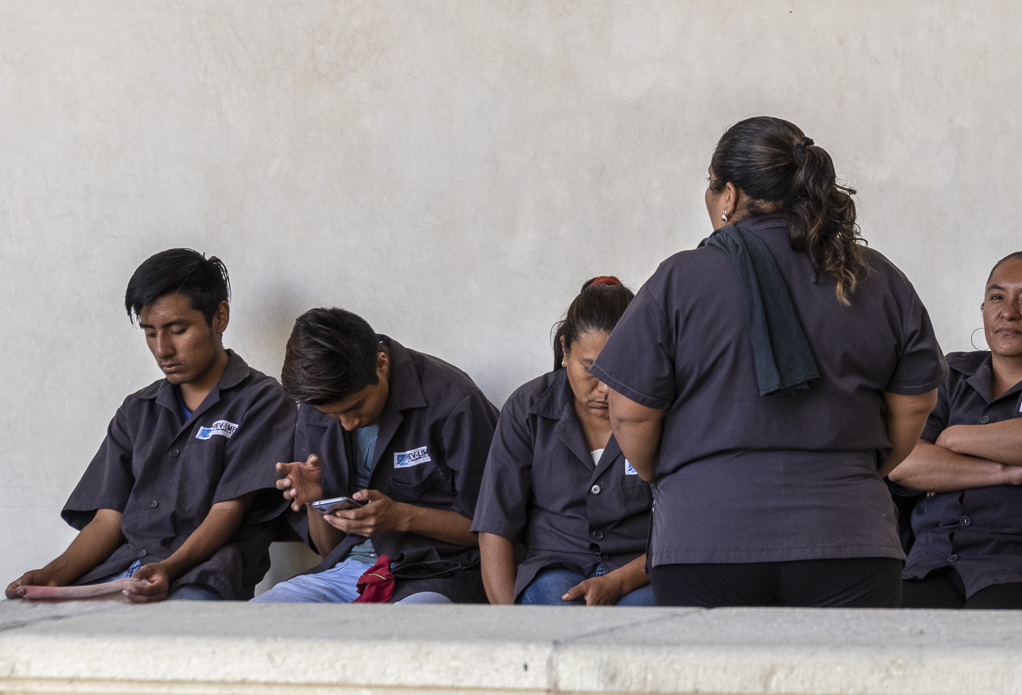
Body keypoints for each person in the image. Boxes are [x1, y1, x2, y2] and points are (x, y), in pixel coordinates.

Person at [590, 116, 946, 608]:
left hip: (704, 537)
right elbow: (914, 405)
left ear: (728, 194)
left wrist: (674, 475)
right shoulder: (876, 277)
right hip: (848, 534)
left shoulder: (681, 279)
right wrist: (858, 470)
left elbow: (629, 409)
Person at [5, 249, 293, 603]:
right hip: (120, 571)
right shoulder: (137, 410)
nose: (162, 350)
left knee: (165, 638)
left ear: (219, 317)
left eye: (177, 330)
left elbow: (227, 512)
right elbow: (108, 519)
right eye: (150, 332)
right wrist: (54, 573)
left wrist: (169, 568)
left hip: (200, 576)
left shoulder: (262, 402)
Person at [888, 251, 1022, 609]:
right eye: (996, 297)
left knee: (993, 650)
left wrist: (952, 439)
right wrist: (1006, 471)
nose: (1008, 312)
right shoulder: (950, 374)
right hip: (933, 561)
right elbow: (903, 463)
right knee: (896, 646)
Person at [255, 308, 498, 604]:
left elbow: (490, 530)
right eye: (333, 415)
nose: (347, 423)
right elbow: (329, 550)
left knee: (397, 642)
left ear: (381, 364)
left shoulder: (453, 402)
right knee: (255, 621)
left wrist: (400, 517)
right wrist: (313, 502)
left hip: (438, 574)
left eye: (355, 407)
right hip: (348, 572)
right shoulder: (317, 405)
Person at [473, 277, 655, 606]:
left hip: (641, 571)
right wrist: (508, 623)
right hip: (555, 567)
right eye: (592, 368)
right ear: (564, 350)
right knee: (553, 608)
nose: (605, 388)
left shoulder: (661, 411)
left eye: (622, 370)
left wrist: (616, 581)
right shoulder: (527, 409)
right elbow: (495, 526)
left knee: (640, 629)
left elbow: (684, 526)